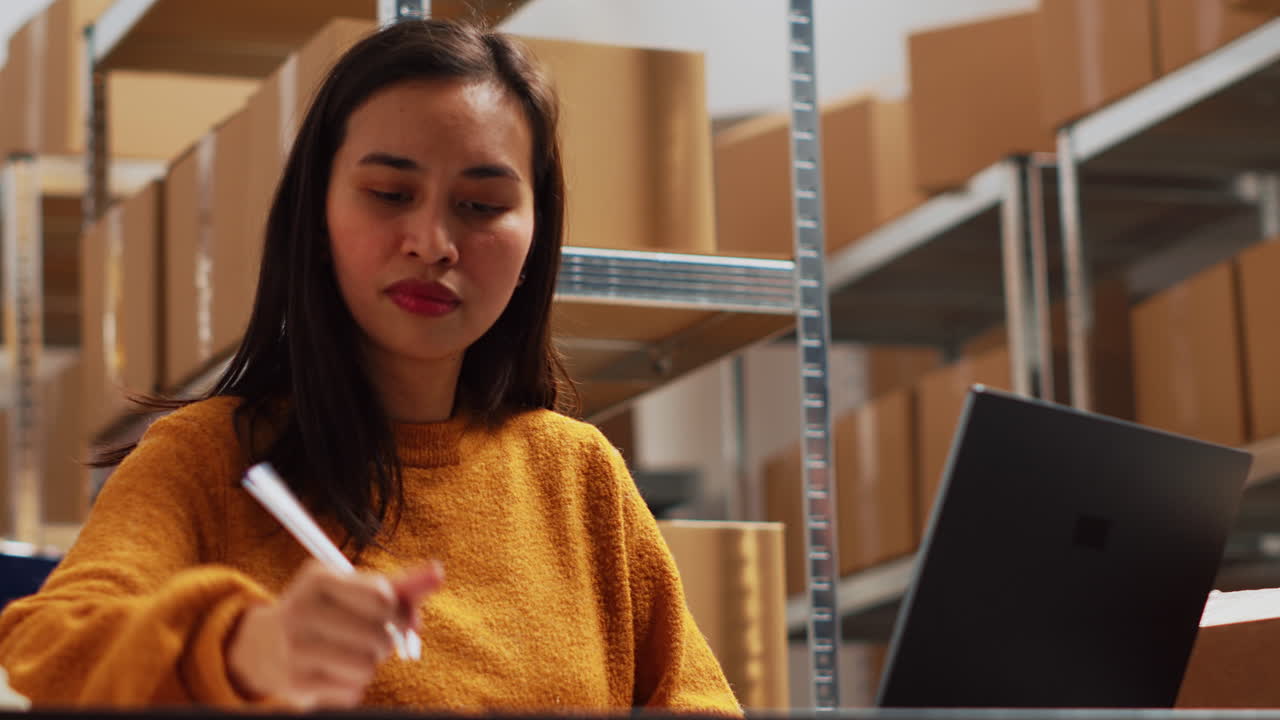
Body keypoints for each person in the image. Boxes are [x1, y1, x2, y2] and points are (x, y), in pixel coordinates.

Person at [0, 19, 740, 713]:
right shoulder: (207, 459)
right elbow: (49, 650)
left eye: (482, 206)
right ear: (317, 220)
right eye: (389, 194)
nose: (432, 242)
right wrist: (243, 650)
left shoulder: (579, 476)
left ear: (534, 243)